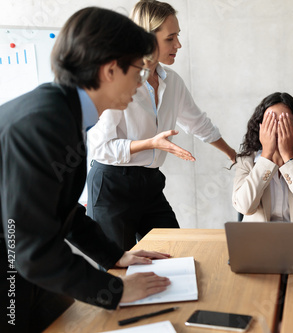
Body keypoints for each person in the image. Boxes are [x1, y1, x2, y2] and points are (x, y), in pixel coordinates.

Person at [0, 7, 172, 332]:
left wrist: (114, 257)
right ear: (109, 70)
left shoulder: (63, 113)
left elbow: (62, 210)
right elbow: (31, 250)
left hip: (26, 266)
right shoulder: (42, 124)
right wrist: (116, 290)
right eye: (137, 71)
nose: (140, 83)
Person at [86, 0, 236, 251]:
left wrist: (233, 155)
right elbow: (100, 147)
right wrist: (151, 143)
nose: (178, 45)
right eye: (171, 38)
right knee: (117, 272)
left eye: (178, 37)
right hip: (112, 185)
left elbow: (198, 123)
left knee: (172, 253)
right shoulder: (119, 79)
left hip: (150, 183)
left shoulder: (172, 81)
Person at [232, 92, 293, 222]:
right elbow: (245, 207)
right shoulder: (245, 161)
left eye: (284, 122)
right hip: (258, 239)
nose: (277, 128)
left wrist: (288, 157)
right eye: (270, 122)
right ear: (260, 127)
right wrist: (266, 156)